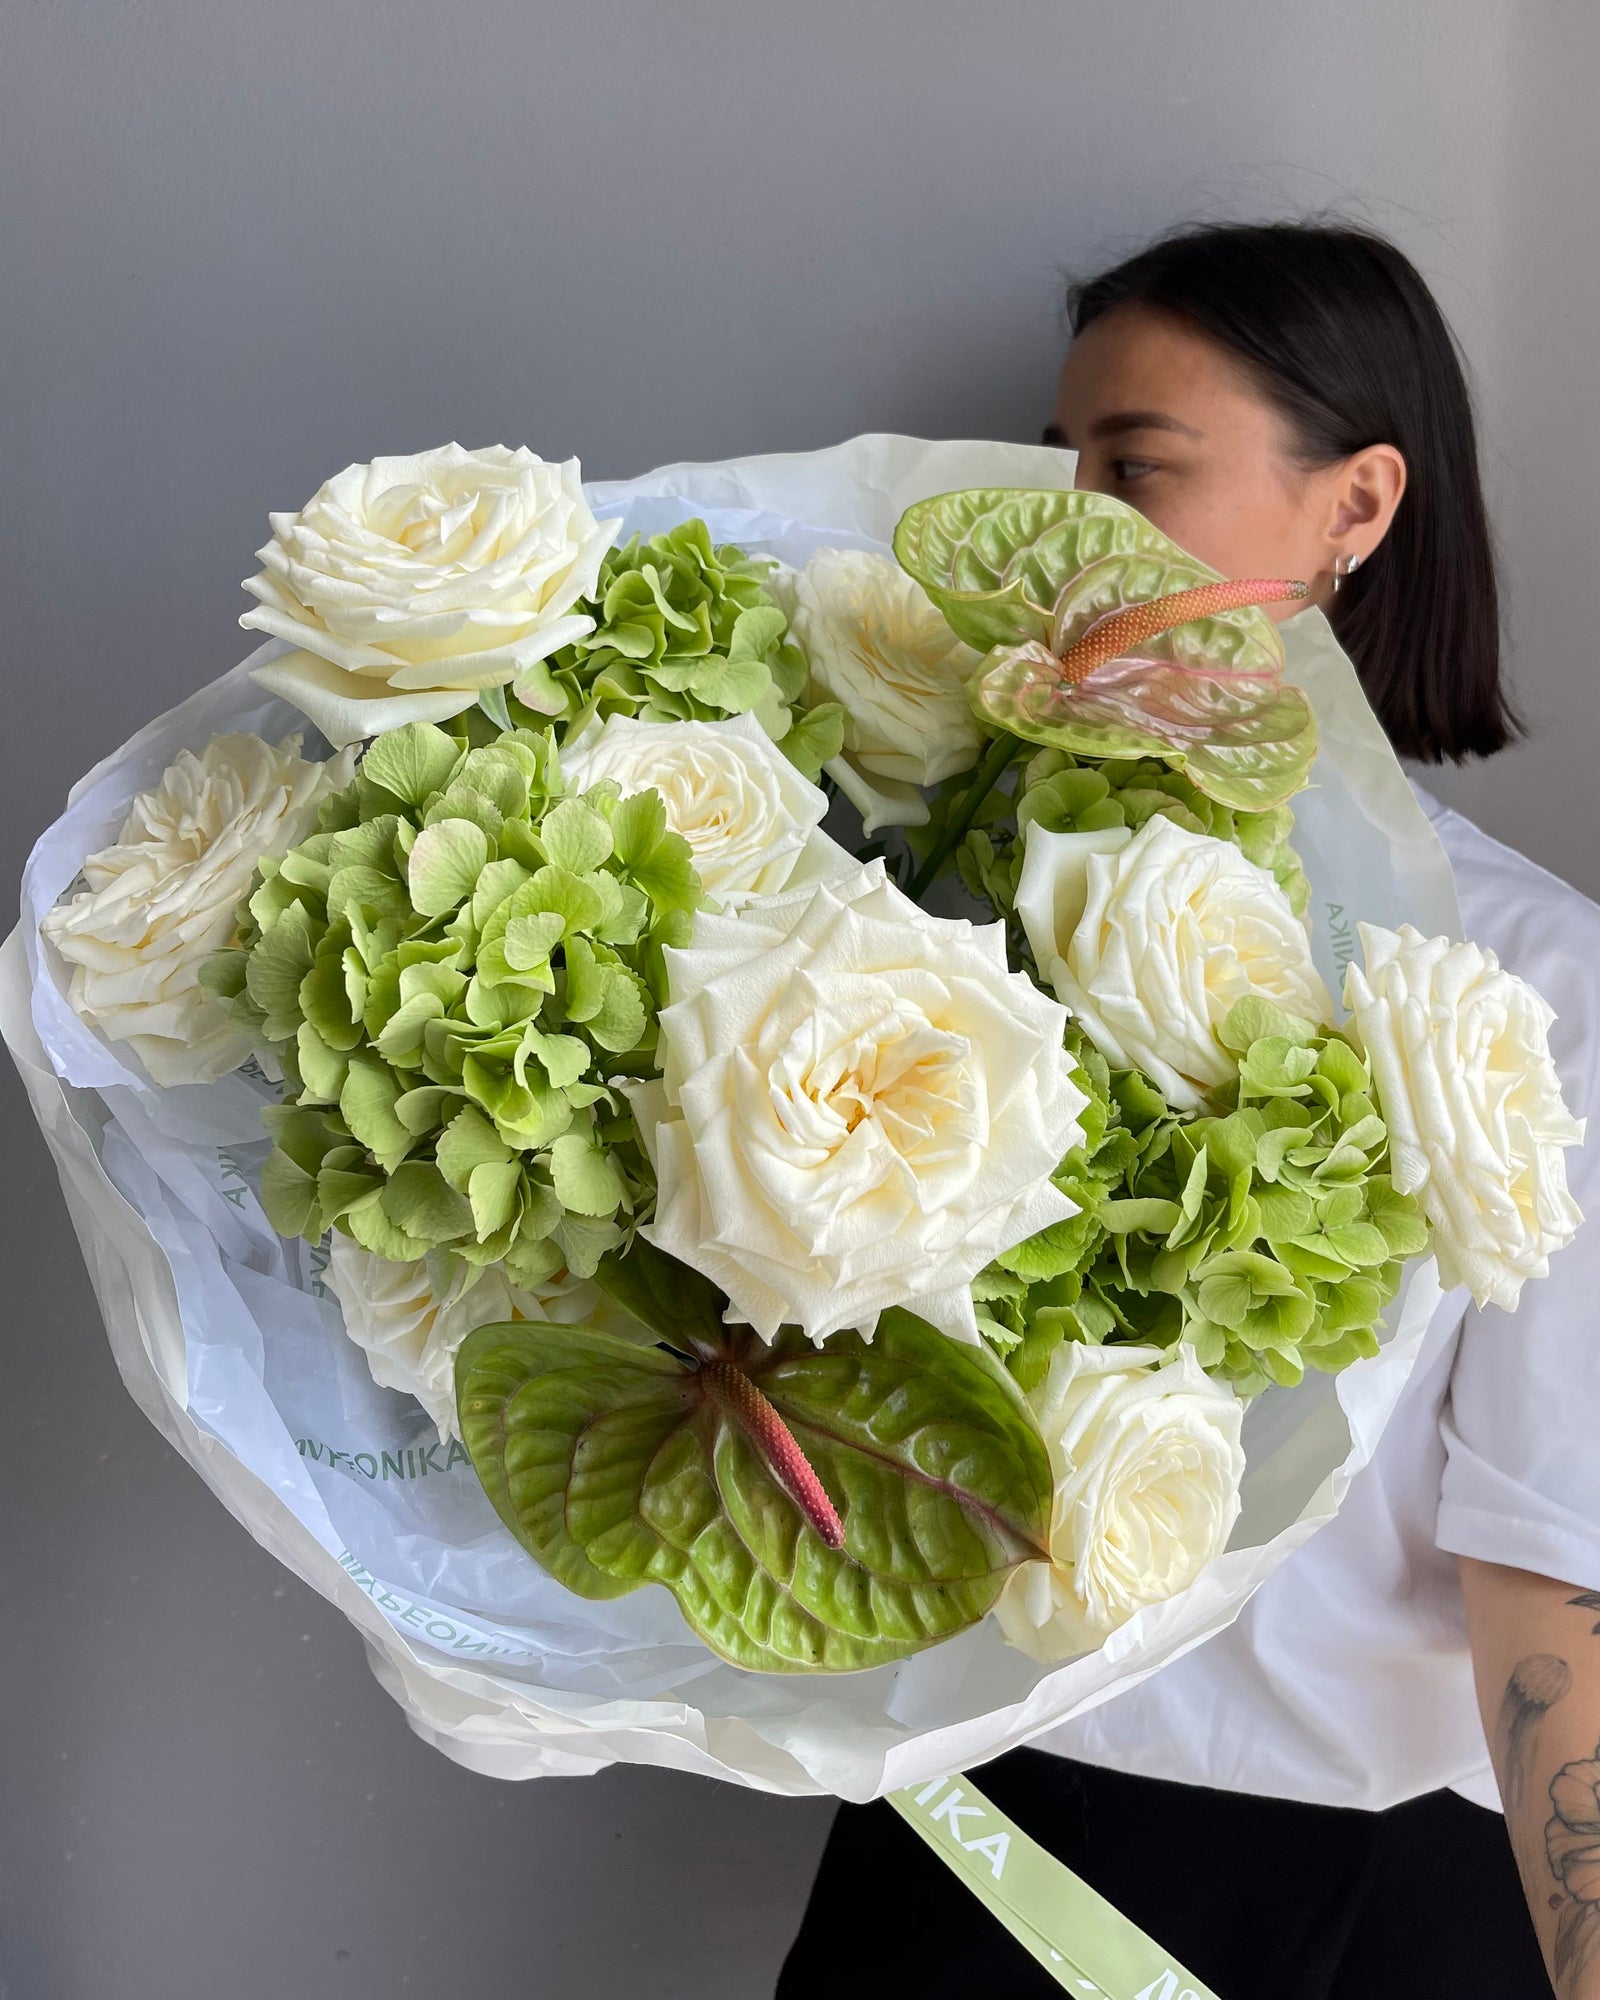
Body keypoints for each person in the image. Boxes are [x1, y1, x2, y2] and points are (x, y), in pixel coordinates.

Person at [776, 222, 1600, 2000]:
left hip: (1357, 1901)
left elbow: (1553, 1567)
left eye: (1136, 466)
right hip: (966, 1838)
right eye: (1055, 464)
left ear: (1354, 508)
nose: (1070, 525)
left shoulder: (1537, 983)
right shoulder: (930, 915)